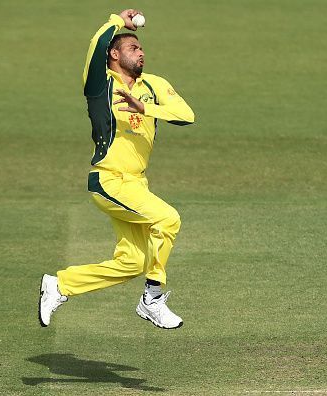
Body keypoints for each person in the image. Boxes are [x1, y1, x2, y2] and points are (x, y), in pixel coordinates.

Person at [38, 9, 195, 330]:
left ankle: (61, 285)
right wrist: (116, 21)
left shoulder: (153, 84)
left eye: (142, 49)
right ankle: (152, 298)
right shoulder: (100, 86)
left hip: (137, 184)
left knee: (133, 262)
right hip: (109, 179)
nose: (141, 53)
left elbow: (186, 115)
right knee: (168, 219)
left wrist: (145, 107)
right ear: (114, 54)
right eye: (133, 49)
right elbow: (95, 46)